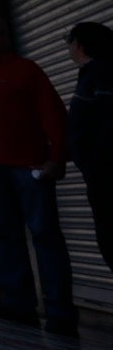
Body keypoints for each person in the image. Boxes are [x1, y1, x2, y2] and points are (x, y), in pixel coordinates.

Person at [0, 11, 76, 335]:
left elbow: (54, 115)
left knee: (46, 236)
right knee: (5, 234)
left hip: (29, 166)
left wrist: (56, 159)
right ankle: (19, 305)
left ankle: (60, 312)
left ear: (3, 35)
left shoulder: (25, 70)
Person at [67, 20, 113, 272]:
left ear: (79, 45)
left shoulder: (101, 75)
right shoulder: (97, 74)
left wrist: (96, 166)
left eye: (70, 42)